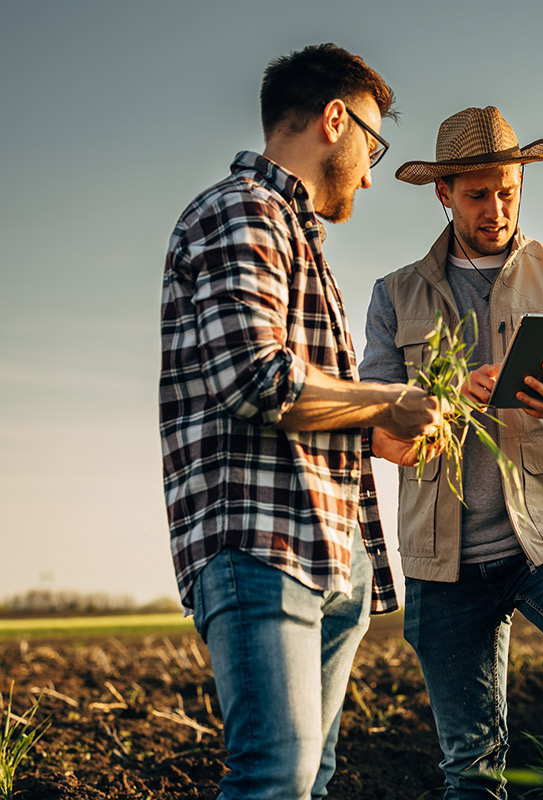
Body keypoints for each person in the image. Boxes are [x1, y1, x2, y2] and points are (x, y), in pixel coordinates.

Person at [158, 43, 442, 798]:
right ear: (334, 119)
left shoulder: (295, 236)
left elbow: (310, 400)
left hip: (328, 548)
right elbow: (256, 378)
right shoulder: (242, 212)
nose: (373, 171)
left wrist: (384, 431)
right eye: (373, 146)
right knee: (275, 775)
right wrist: (386, 399)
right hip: (262, 542)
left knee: (308, 779)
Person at [359, 105, 543, 799]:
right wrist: (446, 394)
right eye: (476, 194)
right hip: (443, 554)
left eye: (508, 191)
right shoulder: (393, 295)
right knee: (472, 768)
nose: (495, 208)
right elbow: (376, 425)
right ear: (443, 193)